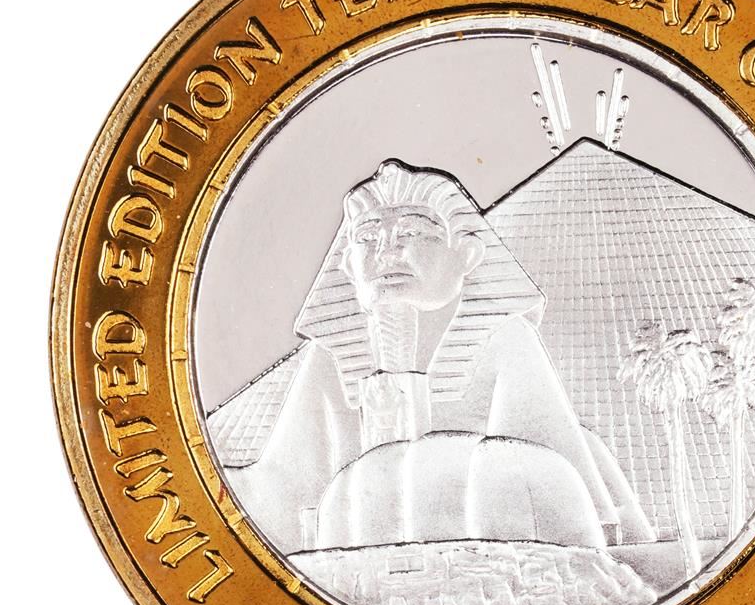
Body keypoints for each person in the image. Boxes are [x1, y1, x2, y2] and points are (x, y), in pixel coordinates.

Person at [222, 159, 654, 555]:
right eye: (367, 239)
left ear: (467, 255)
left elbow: (526, 481)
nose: (387, 253)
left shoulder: (504, 338)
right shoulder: (330, 354)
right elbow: (285, 486)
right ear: (348, 267)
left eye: (412, 234)